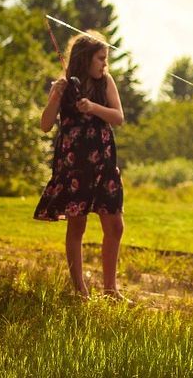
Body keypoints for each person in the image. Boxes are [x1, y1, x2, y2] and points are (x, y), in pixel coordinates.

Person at [34, 31, 127, 301]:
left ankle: (111, 290)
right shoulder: (65, 85)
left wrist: (92, 107)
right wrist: (54, 97)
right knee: (77, 226)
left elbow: (118, 117)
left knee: (115, 226)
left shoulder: (105, 82)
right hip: (75, 166)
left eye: (106, 59)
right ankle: (80, 291)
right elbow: (45, 125)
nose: (104, 64)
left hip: (104, 164)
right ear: (86, 58)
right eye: (101, 59)